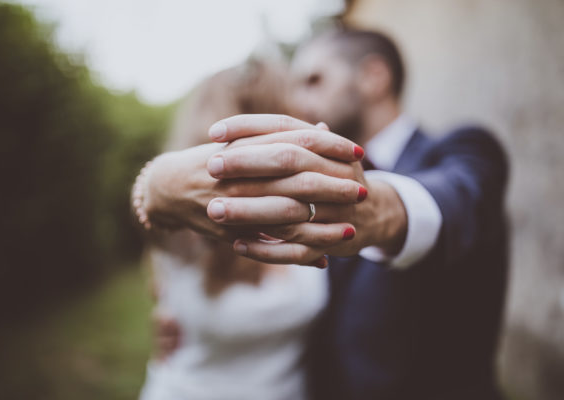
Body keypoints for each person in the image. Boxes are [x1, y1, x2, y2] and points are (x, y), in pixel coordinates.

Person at [137, 29, 508, 400]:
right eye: (295, 87)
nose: (299, 100)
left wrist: (382, 209)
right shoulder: (303, 183)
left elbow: (462, 198)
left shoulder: (464, 151)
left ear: (373, 77)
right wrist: (154, 186)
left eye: (314, 80)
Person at [135, 59, 329, 400]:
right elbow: (153, 210)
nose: (309, 110)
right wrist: (154, 185)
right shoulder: (189, 216)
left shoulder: (314, 204)